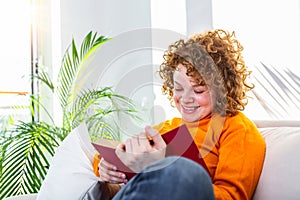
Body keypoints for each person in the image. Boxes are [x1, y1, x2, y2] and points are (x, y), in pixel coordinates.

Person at [92, 29, 266, 200]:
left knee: (186, 170)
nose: (185, 99)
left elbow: (230, 197)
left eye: (198, 90)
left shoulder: (237, 128)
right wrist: (106, 168)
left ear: (223, 90)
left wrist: (159, 167)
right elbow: (113, 154)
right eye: (179, 88)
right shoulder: (168, 127)